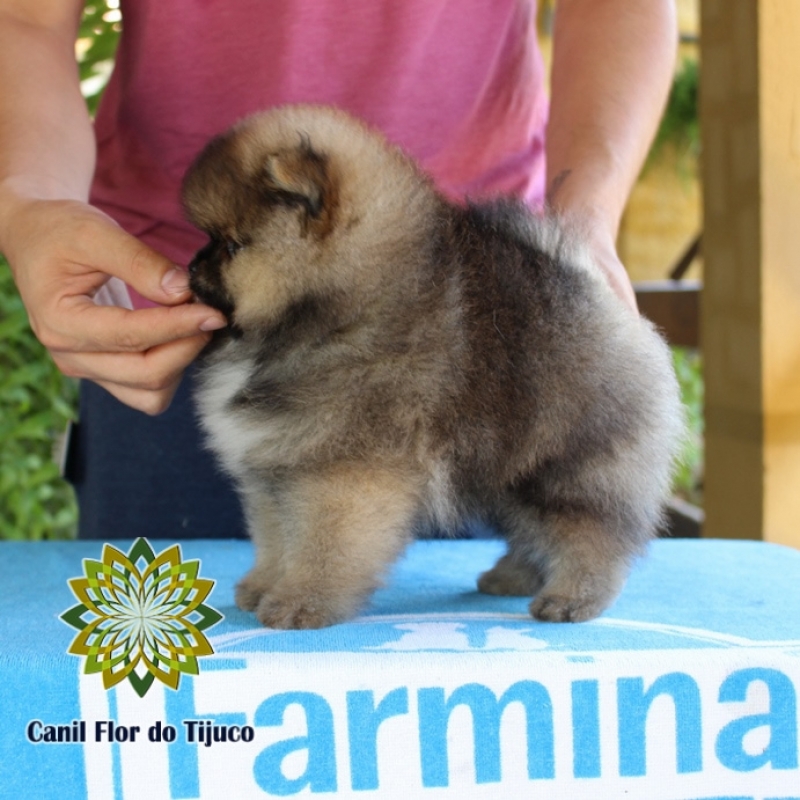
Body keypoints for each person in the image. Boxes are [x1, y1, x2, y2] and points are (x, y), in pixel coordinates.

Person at [0, 0, 677, 540]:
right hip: (162, 329)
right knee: (154, 691)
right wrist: (32, 200)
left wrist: (581, 218)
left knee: (454, 683)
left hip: (478, 333)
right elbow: (25, 16)